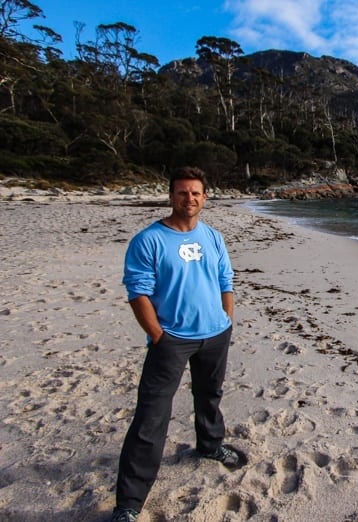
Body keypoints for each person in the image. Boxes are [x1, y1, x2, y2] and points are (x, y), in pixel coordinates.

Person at [111, 167, 244, 522]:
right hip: (171, 340)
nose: (190, 199)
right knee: (151, 417)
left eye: (196, 193)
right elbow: (137, 291)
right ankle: (129, 503)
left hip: (215, 334)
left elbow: (225, 279)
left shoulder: (213, 237)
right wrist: (158, 335)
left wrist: (226, 320)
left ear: (205, 197)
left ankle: (211, 446)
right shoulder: (149, 240)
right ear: (171, 196)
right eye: (183, 193)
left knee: (209, 395)